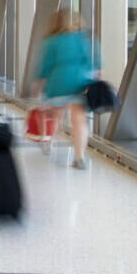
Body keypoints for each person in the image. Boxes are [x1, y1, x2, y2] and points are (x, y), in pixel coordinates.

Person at [35, 9, 100, 169]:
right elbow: (96, 63)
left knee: (55, 115)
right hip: (79, 82)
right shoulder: (84, 38)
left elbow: (46, 66)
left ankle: (49, 142)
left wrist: (38, 83)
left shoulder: (51, 41)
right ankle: (80, 157)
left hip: (58, 83)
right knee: (79, 120)